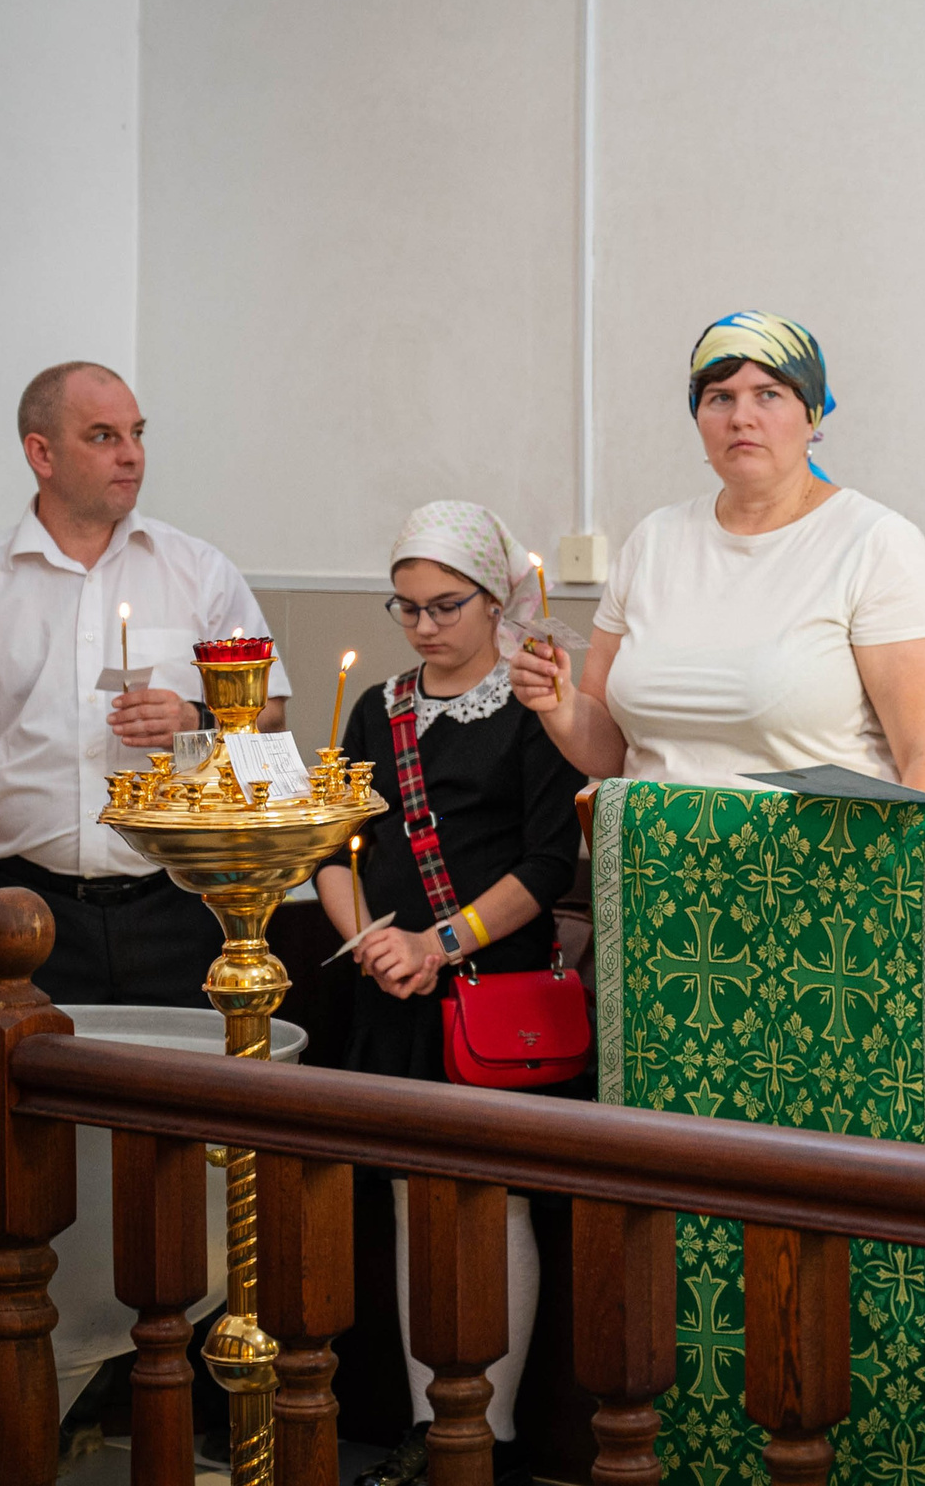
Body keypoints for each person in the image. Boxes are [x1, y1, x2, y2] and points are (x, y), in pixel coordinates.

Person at [313, 501, 585, 1486]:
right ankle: (431, 1420)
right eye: (407, 606)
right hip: (394, 986)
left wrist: (442, 941)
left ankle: (491, 1430)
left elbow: (550, 861)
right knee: (402, 1197)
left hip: (492, 990)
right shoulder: (374, 709)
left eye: (445, 605)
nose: (425, 625)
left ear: (495, 596)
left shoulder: (532, 706)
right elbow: (333, 846)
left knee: (489, 1201)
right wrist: (376, 943)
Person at [0, 361, 290, 1006]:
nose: (131, 456)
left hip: (181, 905)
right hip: (18, 911)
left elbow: (272, 716)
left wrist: (196, 720)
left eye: (137, 433)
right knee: (23, 1098)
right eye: (103, 437)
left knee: (179, 1100)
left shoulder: (200, 573)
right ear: (40, 453)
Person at [511, 310, 925, 798]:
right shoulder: (653, 541)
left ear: (810, 415)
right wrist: (559, 704)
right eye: (719, 398)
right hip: (652, 866)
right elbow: (610, 752)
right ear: (698, 418)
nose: (741, 417)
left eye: (768, 394)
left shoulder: (876, 544)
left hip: (818, 868)